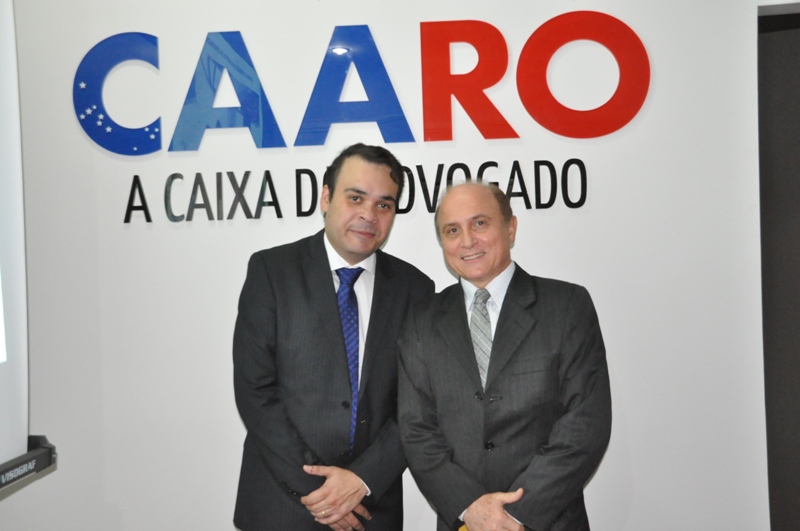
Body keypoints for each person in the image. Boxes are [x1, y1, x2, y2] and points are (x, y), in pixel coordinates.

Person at [233, 143, 434, 531]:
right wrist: (321, 494)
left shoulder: (415, 289)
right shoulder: (271, 271)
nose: (369, 215)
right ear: (326, 197)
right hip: (282, 507)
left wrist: (361, 481)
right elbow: (255, 390)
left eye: (384, 204)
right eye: (356, 197)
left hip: (370, 508)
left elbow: (418, 404)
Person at [398, 182, 611, 531]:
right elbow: (416, 430)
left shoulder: (567, 306)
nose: (467, 241)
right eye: (452, 230)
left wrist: (514, 515)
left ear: (510, 228)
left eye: (480, 223)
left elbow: (585, 426)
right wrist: (471, 508)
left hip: (549, 522)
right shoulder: (421, 321)